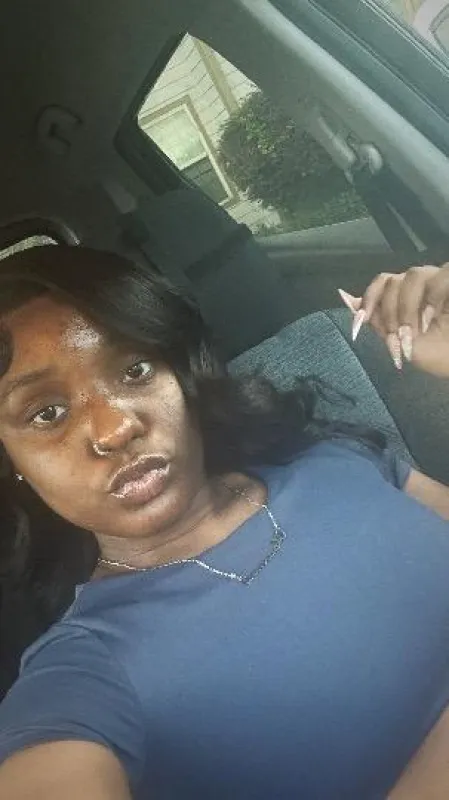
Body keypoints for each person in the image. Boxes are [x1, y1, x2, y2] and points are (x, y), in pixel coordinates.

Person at [0, 246, 449, 799]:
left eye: (135, 370)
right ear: (11, 461)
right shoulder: (83, 673)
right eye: (46, 413)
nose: (115, 428)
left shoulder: (329, 459)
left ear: (180, 374)